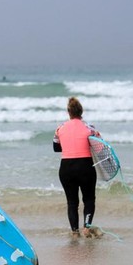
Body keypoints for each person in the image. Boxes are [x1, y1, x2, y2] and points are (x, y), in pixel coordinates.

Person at [53, 97, 102, 238]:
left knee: (72, 202)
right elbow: (100, 146)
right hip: (85, 166)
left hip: (66, 168)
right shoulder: (89, 128)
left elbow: (56, 148)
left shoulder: (60, 128)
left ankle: (75, 231)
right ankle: (86, 228)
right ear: (81, 112)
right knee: (89, 199)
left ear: (69, 112)